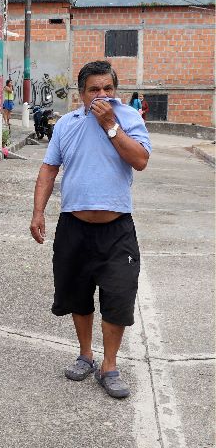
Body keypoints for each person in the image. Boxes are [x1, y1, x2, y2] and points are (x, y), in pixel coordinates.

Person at [30, 60, 151, 399]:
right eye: (94, 90)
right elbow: (48, 169)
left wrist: (111, 126)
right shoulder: (66, 125)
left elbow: (140, 161)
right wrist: (38, 212)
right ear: (81, 94)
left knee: (118, 297)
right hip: (74, 227)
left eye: (108, 89)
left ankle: (109, 366)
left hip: (117, 229)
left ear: (117, 90)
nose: (102, 95)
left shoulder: (128, 118)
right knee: (78, 296)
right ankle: (86, 354)